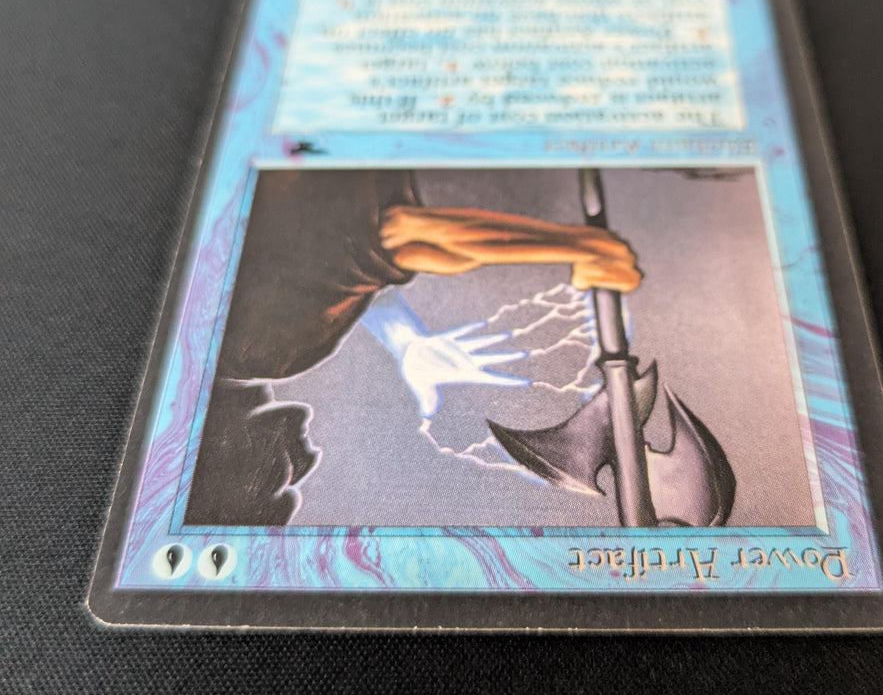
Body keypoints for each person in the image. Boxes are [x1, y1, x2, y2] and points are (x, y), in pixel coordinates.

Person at [184, 169, 640, 525]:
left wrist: (579, 247)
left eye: (281, 479)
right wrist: (407, 342)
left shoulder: (253, 345)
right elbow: (382, 254)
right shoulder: (261, 347)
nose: (304, 463)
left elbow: (399, 234)